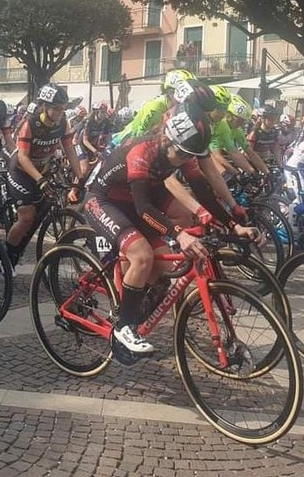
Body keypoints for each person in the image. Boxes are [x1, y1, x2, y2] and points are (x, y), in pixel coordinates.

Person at [83, 105, 257, 353]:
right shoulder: (142, 151)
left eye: (190, 156)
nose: (186, 161)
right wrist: (178, 234)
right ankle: (123, 328)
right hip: (104, 200)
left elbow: (203, 192)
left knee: (167, 268)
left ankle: (134, 304)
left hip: (134, 200)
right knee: (142, 256)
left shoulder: (182, 152)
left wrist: (234, 224)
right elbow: (144, 208)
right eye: (183, 155)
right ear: (168, 141)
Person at [4, 83, 83, 266]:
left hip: (42, 170)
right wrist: (39, 180)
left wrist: (80, 176)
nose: (60, 113)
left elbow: (70, 149)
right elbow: (22, 157)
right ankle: (7, 258)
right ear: (44, 106)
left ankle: (21, 244)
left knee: (41, 212)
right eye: (56, 109)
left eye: (63, 109)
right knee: (27, 217)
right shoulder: (29, 124)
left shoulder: (62, 122)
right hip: (21, 171)